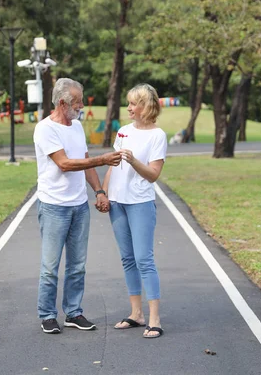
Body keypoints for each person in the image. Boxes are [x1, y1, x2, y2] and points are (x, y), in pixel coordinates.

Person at [33, 78, 122, 334]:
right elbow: (64, 163)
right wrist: (102, 158)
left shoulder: (77, 127)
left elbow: (84, 161)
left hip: (79, 206)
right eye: (78, 102)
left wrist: (99, 191)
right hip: (53, 207)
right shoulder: (45, 129)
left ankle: (73, 312)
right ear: (63, 103)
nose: (81, 106)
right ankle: (48, 315)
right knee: (50, 267)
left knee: (77, 265)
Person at [101, 83, 167, 338]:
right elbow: (111, 166)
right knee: (127, 259)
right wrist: (103, 193)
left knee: (144, 259)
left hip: (140, 202)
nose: (128, 108)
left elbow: (153, 175)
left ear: (146, 106)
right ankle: (136, 314)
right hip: (117, 202)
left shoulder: (157, 135)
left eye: (133, 103)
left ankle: (154, 318)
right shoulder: (124, 131)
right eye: (128, 103)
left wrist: (133, 160)